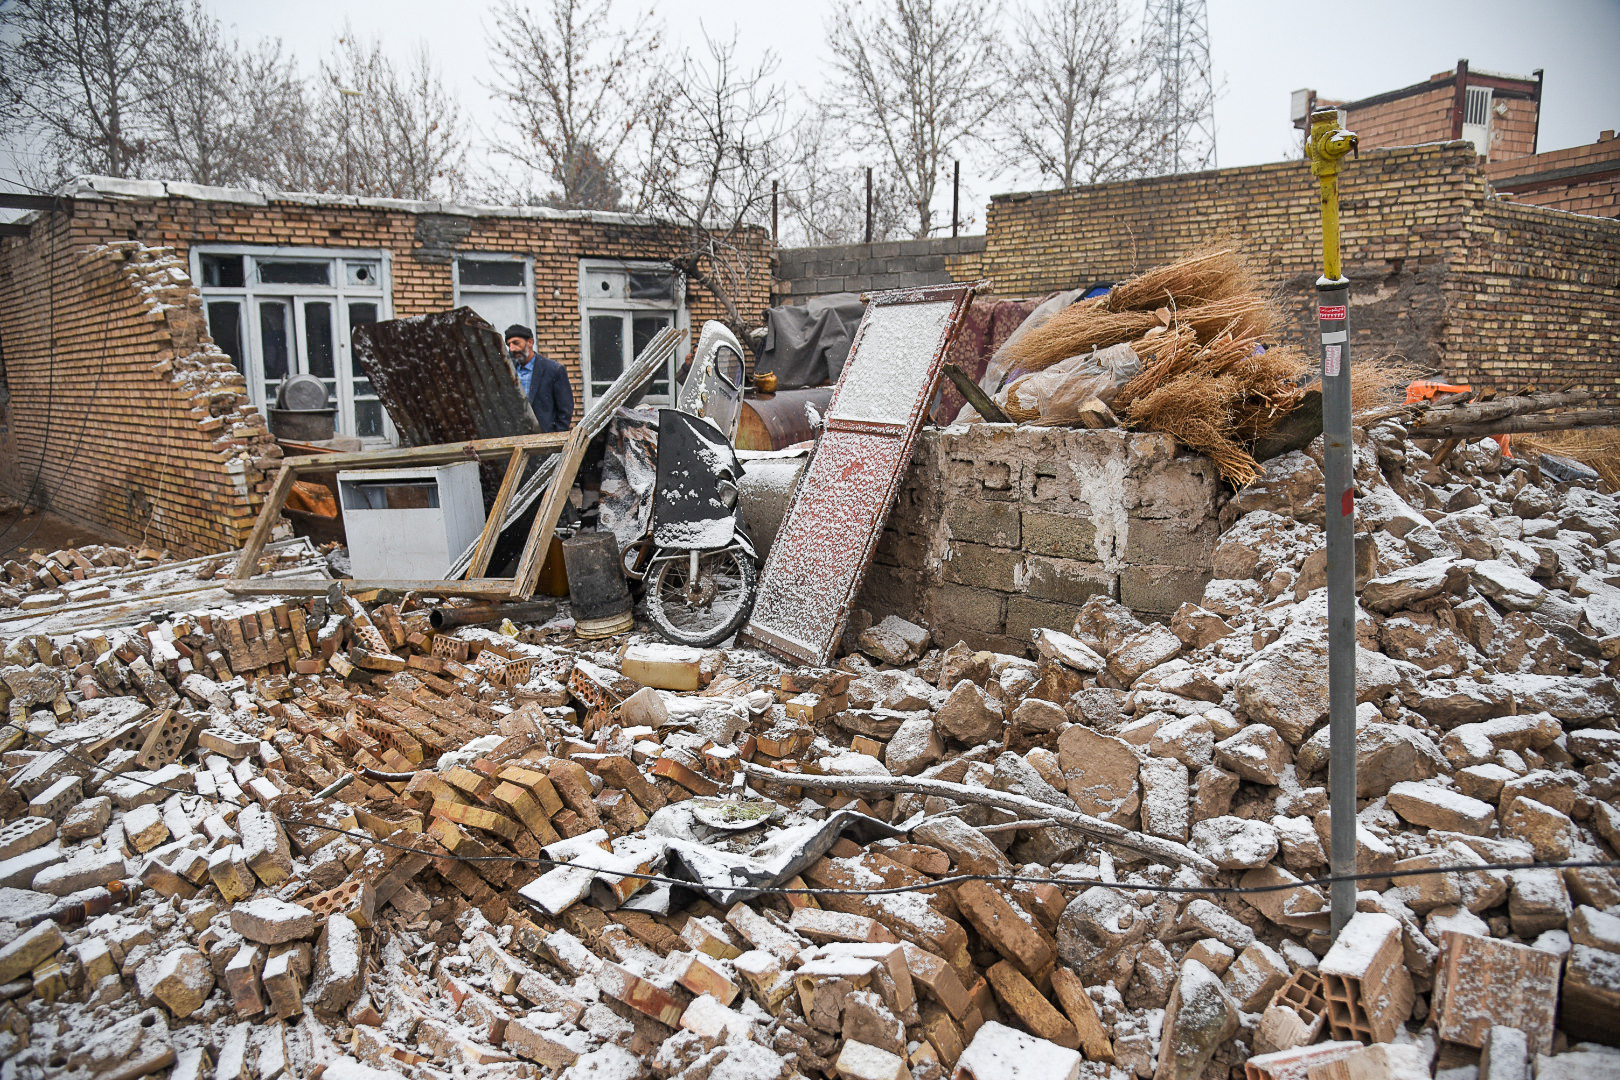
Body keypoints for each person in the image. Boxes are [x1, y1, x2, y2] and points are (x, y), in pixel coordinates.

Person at [504, 324, 573, 433]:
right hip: (515, 440)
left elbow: (565, 410)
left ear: (530, 342)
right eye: (509, 345)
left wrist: (555, 437)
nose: (512, 349)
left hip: (545, 440)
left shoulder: (554, 370)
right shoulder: (508, 371)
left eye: (516, 343)